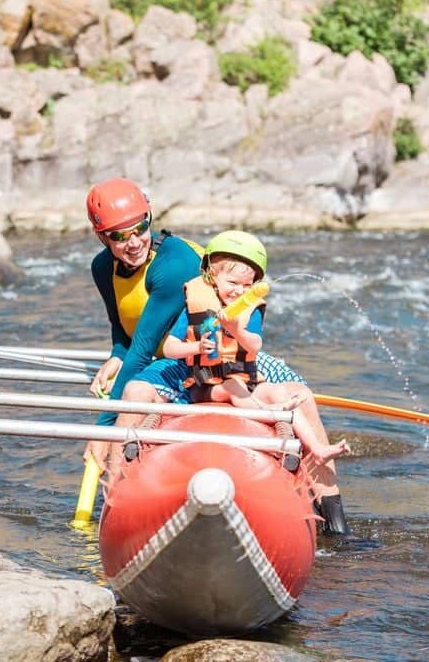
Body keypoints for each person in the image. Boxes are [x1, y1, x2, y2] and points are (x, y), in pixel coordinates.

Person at [83, 177, 352, 535]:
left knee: (300, 397)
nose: (133, 242)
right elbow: (128, 333)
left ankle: (335, 518)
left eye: (140, 228)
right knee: (134, 392)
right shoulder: (104, 268)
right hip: (181, 361)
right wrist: (118, 356)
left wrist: (100, 430)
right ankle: (114, 500)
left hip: (228, 360)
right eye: (119, 235)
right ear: (102, 237)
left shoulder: (175, 266)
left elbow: (144, 347)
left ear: (150, 218)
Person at [161, 230, 351, 468]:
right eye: (232, 283)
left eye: (246, 285)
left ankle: (318, 448)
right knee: (233, 385)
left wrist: (236, 329)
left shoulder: (250, 310)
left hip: (245, 381)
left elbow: (255, 345)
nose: (239, 291)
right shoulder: (195, 306)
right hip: (204, 386)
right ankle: (270, 413)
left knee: (280, 392)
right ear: (211, 276)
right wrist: (196, 346)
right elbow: (169, 348)